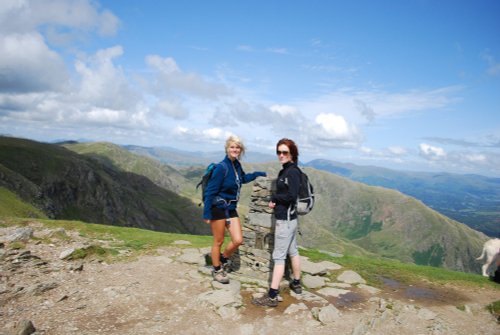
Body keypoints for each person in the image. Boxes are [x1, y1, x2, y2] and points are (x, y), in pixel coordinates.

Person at [204, 135, 266, 284]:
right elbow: (210, 192)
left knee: (238, 240)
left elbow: (242, 179)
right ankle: (217, 270)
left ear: (241, 150)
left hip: (231, 208)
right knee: (218, 241)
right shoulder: (221, 167)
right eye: (232, 147)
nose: (235, 149)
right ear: (227, 148)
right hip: (218, 209)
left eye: (237, 147)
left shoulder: (236, 165)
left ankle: (223, 259)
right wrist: (207, 213)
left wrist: (258, 174)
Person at [252, 138, 302, 307]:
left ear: (292, 154)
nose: (281, 155)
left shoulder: (292, 172)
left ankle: (272, 295)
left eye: (285, 152)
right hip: (291, 220)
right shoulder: (287, 170)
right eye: (279, 152)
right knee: (293, 251)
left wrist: (275, 197)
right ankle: (296, 282)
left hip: (285, 220)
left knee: (279, 256)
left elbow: (291, 196)